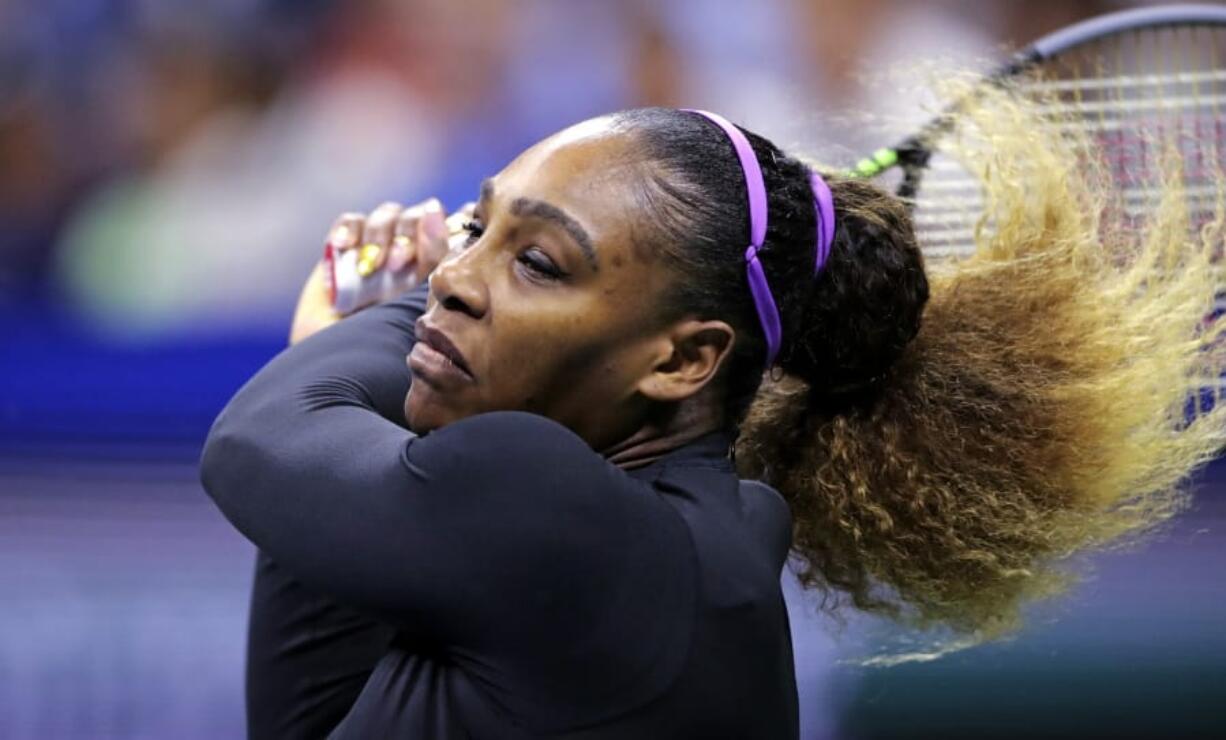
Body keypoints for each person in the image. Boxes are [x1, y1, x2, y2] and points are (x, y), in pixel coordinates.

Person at [201, 101, 1225, 738]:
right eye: (476, 223)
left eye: (537, 261)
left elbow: (253, 443)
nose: (459, 276)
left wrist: (385, 312)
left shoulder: (546, 510)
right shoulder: (696, 545)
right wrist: (369, 352)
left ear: (685, 357)